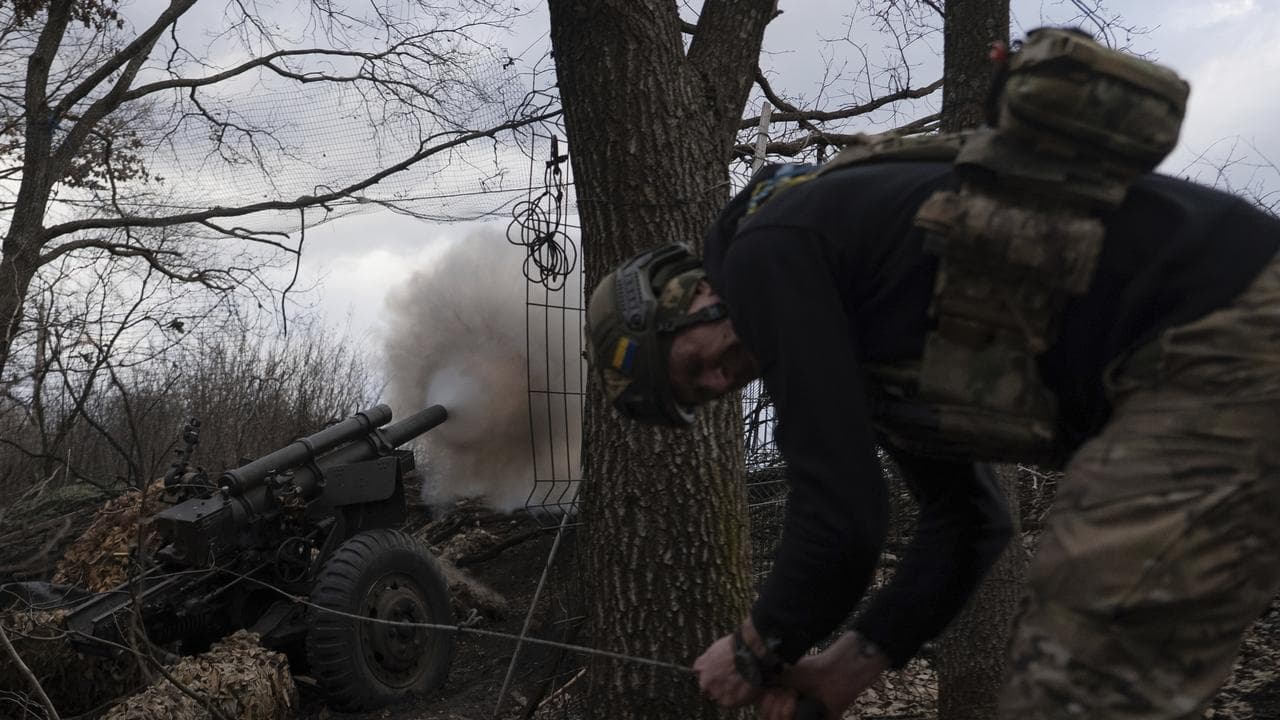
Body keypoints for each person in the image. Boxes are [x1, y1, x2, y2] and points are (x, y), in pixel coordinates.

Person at [585, 140, 1280, 718]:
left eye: (691, 367)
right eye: (698, 397)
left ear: (688, 295)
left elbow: (842, 518)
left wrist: (754, 646)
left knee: (1077, 669)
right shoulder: (860, 327)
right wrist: (846, 668)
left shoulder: (765, 254)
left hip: (1221, 330)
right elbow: (970, 520)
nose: (717, 384)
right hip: (1217, 346)